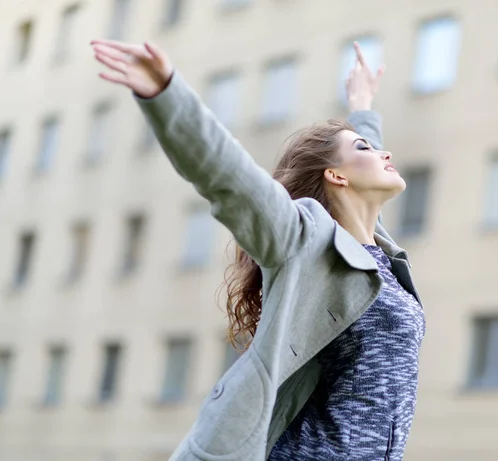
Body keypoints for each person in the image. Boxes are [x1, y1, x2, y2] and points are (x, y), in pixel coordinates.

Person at [90, 38, 426, 461]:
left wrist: (362, 104)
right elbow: (227, 177)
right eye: (365, 149)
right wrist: (166, 96)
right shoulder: (303, 241)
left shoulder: (376, 251)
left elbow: (365, 181)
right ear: (337, 176)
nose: (385, 153)